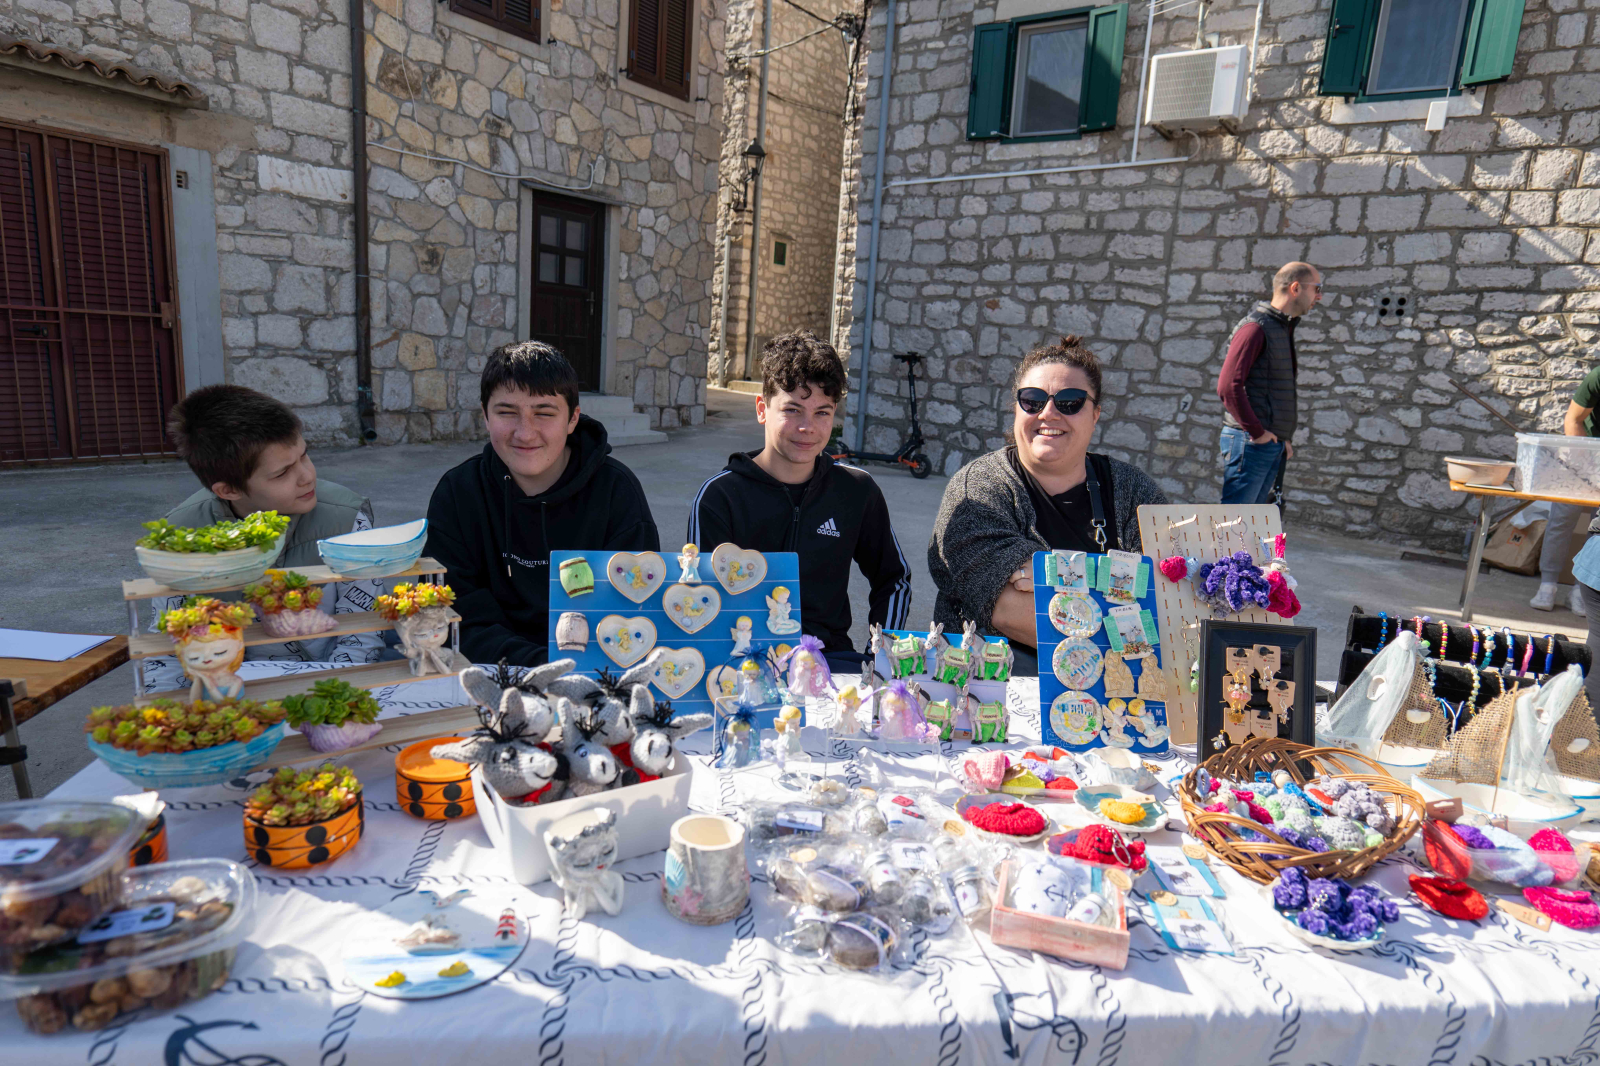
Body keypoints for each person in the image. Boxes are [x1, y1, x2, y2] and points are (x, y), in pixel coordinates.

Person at [927, 335, 1168, 671]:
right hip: (995, 688)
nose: (1049, 413)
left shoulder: (1134, 492)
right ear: (1016, 408)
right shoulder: (977, 491)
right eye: (1032, 400)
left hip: (1114, 690)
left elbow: (1167, 601)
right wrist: (1120, 597)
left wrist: (1056, 573)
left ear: (1095, 414)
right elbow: (1010, 612)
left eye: (1071, 401)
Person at [688, 330, 912, 671]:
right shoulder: (720, 497)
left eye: (822, 412)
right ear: (762, 409)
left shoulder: (856, 490)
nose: (808, 427)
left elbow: (893, 579)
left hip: (830, 659)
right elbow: (699, 597)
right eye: (792, 410)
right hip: (743, 663)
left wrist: (879, 653)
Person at [426, 341, 659, 665]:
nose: (525, 433)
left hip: (591, 676)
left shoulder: (617, 494)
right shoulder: (458, 493)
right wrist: (542, 666)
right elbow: (453, 615)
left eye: (544, 413)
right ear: (485, 415)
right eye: (507, 412)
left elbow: (633, 613)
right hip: (485, 669)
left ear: (573, 418)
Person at [145, 385, 384, 691]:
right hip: (226, 694)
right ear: (229, 490)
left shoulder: (345, 518)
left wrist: (333, 700)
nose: (307, 476)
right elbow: (168, 648)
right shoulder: (182, 537)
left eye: (304, 455)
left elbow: (362, 636)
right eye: (282, 473)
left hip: (332, 683)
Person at [1216, 261, 1322, 505]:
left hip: (1268, 445)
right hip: (1251, 443)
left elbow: (1271, 390)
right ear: (1295, 288)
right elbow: (1227, 386)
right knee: (1235, 526)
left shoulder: (1280, 327)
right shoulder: (1255, 328)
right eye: (1316, 288)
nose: (1320, 295)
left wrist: (1282, 438)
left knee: (1258, 528)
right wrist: (1257, 432)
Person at [1531, 375, 1600, 615]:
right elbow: (1572, 419)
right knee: (1561, 520)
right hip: (1581, 452)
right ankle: (1547, 586)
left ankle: (1580, 592)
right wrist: (1585, 465)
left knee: (1598, 531)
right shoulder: (1598, 376)